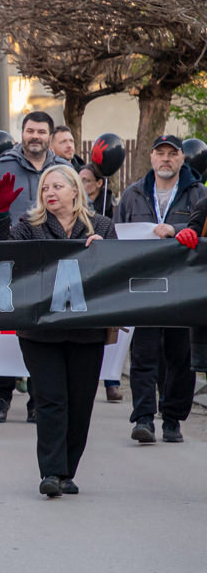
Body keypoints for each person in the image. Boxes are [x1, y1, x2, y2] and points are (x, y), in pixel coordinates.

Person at [0, 164, 116, 497]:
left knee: (80, 401)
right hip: (40, 330)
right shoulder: (30, 227)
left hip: (86, 330)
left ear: (76, 191)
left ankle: (68, 470)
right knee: (51, 399)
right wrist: (0, 213)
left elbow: (118, 273)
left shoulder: (101, 225)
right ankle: (52, 471)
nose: (50, 193)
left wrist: (106, 251)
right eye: (45, 188)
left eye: (57, 186)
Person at [114, 135, 206, 444]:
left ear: (182, 159)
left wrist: (179, 231)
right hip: (145, 285)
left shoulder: (197, 195)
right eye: (160, 153)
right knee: (144, 353)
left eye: (172, 154)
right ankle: (143, 418)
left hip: (184, 286)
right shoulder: (133, 195)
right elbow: (117, 239)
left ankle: (172, 419)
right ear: (151, 158)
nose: (165, 159)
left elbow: (203, 234)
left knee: (180, 355)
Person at [0, 111, 70, 226]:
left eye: (41, 132)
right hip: (13, 242)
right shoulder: (1, 167)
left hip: (56, 242)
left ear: (50, 138)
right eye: (30, 131)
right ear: (22, 134)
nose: (35, 136)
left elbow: (84, 206)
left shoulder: (65, 169)